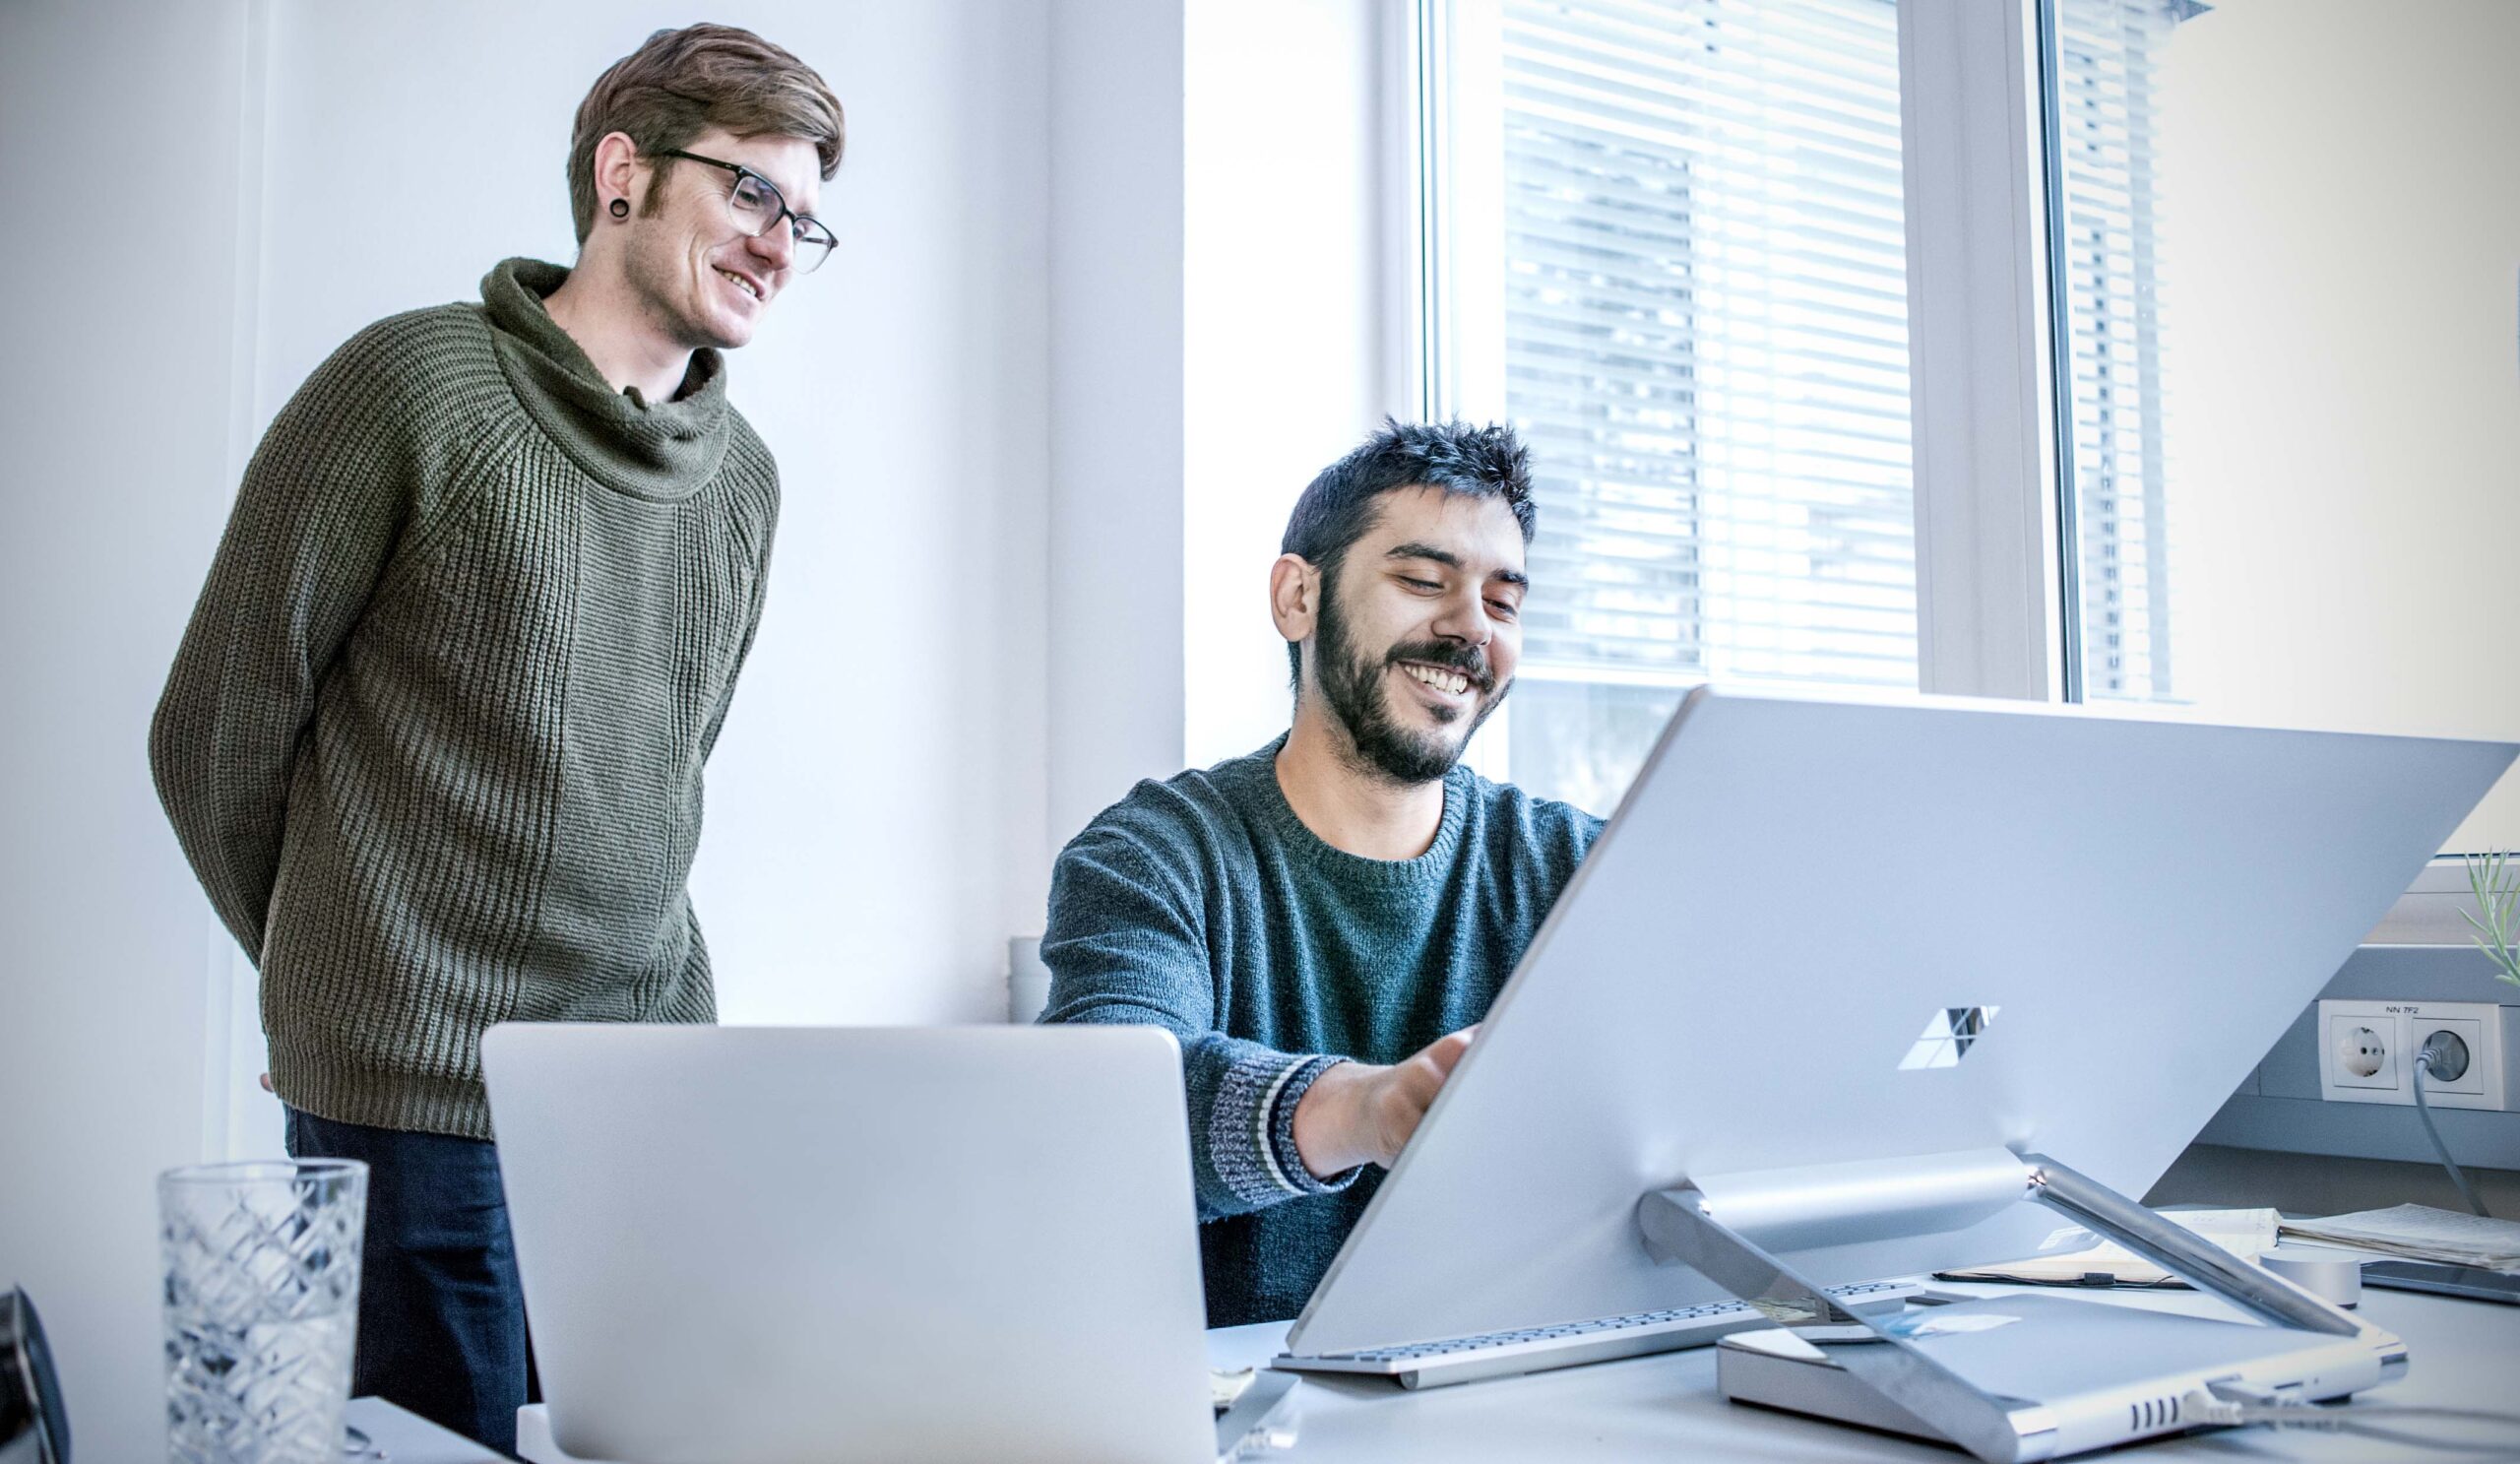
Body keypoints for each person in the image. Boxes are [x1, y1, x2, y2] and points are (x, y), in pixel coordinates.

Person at [147, 25, 843, 1450]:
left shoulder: (745, 484)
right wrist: (326, 979)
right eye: (753, 193)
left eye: (809, 219)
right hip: (414, 1103)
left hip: (644, 1099)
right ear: (623, 174)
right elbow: (211, 725)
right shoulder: (412, 389)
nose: (782, 243)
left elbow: (664, 772)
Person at [1040, 420, 1604, 1326]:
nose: (1470, 628)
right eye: (1423, 580)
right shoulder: (1153, 855)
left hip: (1516, 1393)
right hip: (1226, 1421)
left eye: (1503, 603)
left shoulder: (1578, 867)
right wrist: (1364, 1109)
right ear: (1297, 596)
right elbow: (1104, 1117)